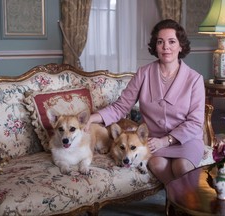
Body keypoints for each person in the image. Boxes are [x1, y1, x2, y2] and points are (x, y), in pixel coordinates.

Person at [85, 19, 205, 185]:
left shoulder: (195, 79)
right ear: (155, 46)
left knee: (181, 166)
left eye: (172, 42)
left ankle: (187, 206)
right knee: (157, 164)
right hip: (153, 140)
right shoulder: (143, 73)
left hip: (186, 140)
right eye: (160, 42)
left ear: (181, 46)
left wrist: (166, 141)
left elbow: (195, 122)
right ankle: (177, 203)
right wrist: (92, 118)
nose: (166, 47)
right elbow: (121, 107)